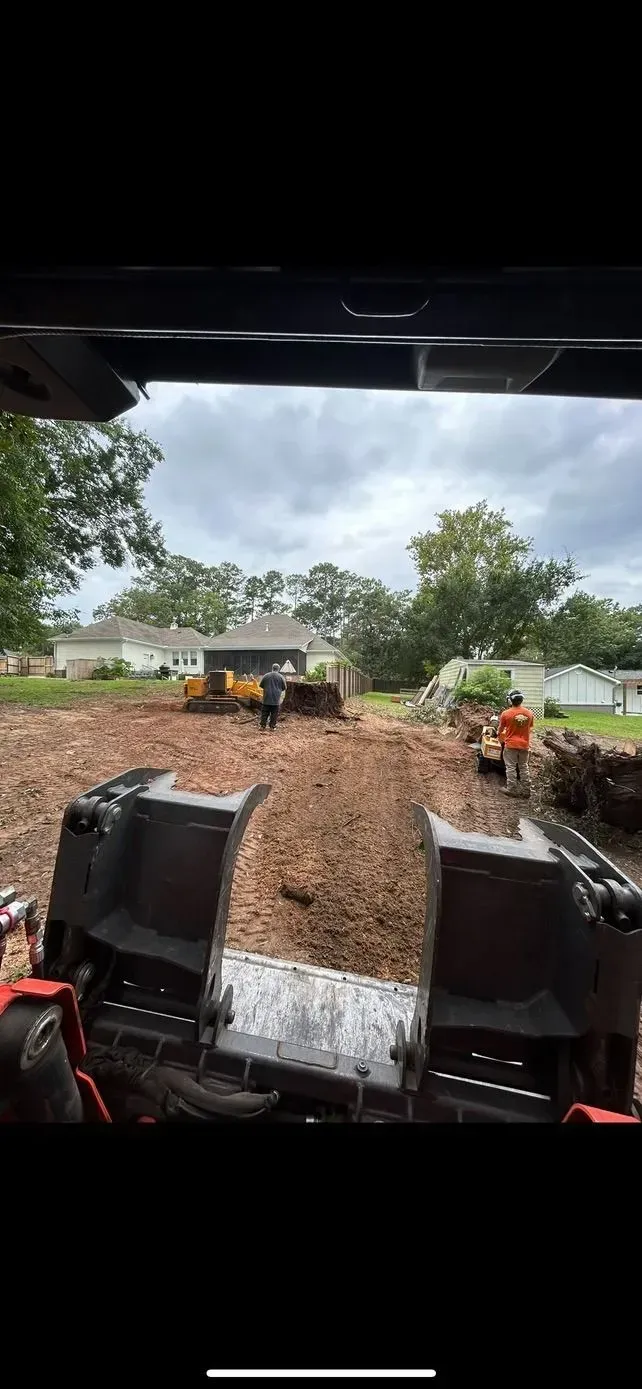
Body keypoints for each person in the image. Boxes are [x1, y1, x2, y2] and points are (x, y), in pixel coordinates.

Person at [497, 689, 535, 798]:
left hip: (511, 745)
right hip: (524, 745)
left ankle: (511, 789)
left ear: (510, 701)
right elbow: (530, 727)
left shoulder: (506, 713)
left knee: (511, 767)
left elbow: (501, 729)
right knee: (524, 767)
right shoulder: (529, 713)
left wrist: (498, 735)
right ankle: (526, 790)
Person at [259, 662, 287, 731]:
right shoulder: (281, 677)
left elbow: (261, 685)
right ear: (278, 669)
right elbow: (284, 687)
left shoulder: (266, 676)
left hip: (266, 698)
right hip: (276, 699)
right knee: (274, 713)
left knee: (265, 712)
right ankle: (272, 726)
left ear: (272, 668)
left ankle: (262, 726)